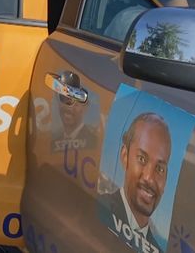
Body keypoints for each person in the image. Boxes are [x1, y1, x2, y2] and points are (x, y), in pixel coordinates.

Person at [100, 113, 171, 253]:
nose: (150, 178)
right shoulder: (100, 209)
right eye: (142, 159)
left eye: (160, 168)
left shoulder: (157, 248)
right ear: (125, 157)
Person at [50, 71, 98, 152]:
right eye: (64, 100)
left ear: (85, 108)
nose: (68, 108)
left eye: (75, 104)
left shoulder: (93, 141)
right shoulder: (53, 143)